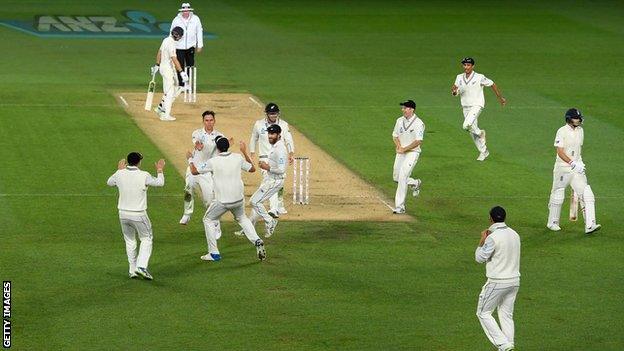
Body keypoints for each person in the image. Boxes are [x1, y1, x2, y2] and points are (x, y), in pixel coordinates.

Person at [189, 138, 266, 261]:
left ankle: (214, 253)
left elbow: (193, 172)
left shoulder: (213, 161)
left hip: (222, 201)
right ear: (228, 146)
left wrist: (190, 159)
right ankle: (256, 240)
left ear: (217, 148)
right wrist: (244, 152)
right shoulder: (237, 157)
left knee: (208, 219)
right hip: (238, 199)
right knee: (242, 218)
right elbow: (252, 169)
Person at [106, 152, 166, 280]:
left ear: (127, 162)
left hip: (123, 214)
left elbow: (109, 182)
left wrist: (119, 170)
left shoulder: (119, 173)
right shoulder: (143, 175)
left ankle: (132, 270)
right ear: (139, 162)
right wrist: (160, 170)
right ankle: (141, 266)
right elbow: (160, 183)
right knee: (146, 239)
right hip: (138, 214)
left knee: (130, 241)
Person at [546, 108, 601, 234]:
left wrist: (579, 162)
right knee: (558, 194)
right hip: (563, 168)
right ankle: (552, 222)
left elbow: (578, 150)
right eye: (577, 118)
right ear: (569, 119)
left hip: (577, 168)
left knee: (587, 194)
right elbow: (560, 152)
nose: (579, 120)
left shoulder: (581, 130)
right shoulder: (562, 131)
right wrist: (572, 163)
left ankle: (590, 224)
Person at [475, 206, 521, 351]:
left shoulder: (492, 238)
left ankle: (504, 345)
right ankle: (510, 345)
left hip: (497, 282)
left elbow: (479, 258)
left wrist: (482, 240)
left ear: (491, 219)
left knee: (483, 312)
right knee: (506, 314)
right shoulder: (515, 234)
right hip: (514, 281)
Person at [451, 57, 506, 161]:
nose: (466, 67)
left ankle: (481, 133)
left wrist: (500, 97)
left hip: (477, 105)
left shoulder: (479, 77)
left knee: (466, 125)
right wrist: (454, 91)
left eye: (468, 65)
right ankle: (483, 151)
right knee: (472, 131)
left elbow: (492, 84)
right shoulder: (459, 77)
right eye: (464, 65)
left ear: (473, 66)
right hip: (465, 106)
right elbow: (456, 92)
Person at [179, 111, 223, 233]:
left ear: (214, 121)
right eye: (206, 120)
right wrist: (198, 145)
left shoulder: (220, 136)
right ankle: (187, 214)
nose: (209, 122)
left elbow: (222, 149)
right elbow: (197, 142)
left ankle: (216, 224)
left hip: (207, 171)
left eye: (211, 120)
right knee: (188, 189)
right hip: (194, 168)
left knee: (209, 200)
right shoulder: (197, 133)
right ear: (203, 121)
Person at [249, 102, 295, 217]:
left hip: (279, 157)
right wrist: (252, 152)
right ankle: (273, 209)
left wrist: (291, 152)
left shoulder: (283, 125)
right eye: (271, 114)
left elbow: (288, 139)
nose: (273, 116)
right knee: (271, 181)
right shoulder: (259, 124)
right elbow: (254, 138)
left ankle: (279, 204)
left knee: (279, 180)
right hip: (265, 158)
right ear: (267, 114)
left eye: (275, 113)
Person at [247, 124, 288, 237]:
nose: (270, 136)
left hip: (275, 181)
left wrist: (267, 167)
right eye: (269, 133)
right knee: (255, 201)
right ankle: (266, 222)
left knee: (254, 201)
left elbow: (281, 169)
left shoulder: (280, 149)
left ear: (279, 135)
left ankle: (270, 221)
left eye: (273, 133)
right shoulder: (275, 146)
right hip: (270, 180)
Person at [391, 99, 424, 214]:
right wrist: (399, 146)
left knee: (402, 177)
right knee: (396, 177)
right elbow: (395, 136)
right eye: (403, 108)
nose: (403, 110)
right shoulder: (399, 121)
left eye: (405, 108)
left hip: (412, 153)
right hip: (401, 152)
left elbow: (418, 141)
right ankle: (415, 183)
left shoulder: (419, 123)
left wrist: (405, 148)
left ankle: (400, 207)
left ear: (412, 109)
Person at [151, 26, 188, 121]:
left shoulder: (166, 40)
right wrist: (181, 72)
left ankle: (160, 108)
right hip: (167, 70)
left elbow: (159, 52)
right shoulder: (171, 43)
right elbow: (174, 59)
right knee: (169, 92)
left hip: (165, 68)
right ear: (178, 36)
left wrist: (157, 65)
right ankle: (165, 115)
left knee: (175, 87)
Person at [170, 2, 204, 89]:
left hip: (190, 46)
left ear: (189, 11)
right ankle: (181, 85)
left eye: (187, 11)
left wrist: (199, 45)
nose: (186, 12)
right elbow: (171, 32)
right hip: (179, 46)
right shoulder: (176, 20)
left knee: (190, 65)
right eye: (184, 11)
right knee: (179, 65)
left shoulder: (195, 19)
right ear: (182, 11)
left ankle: (188, 84)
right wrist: (171, 45)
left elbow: (199, 32)